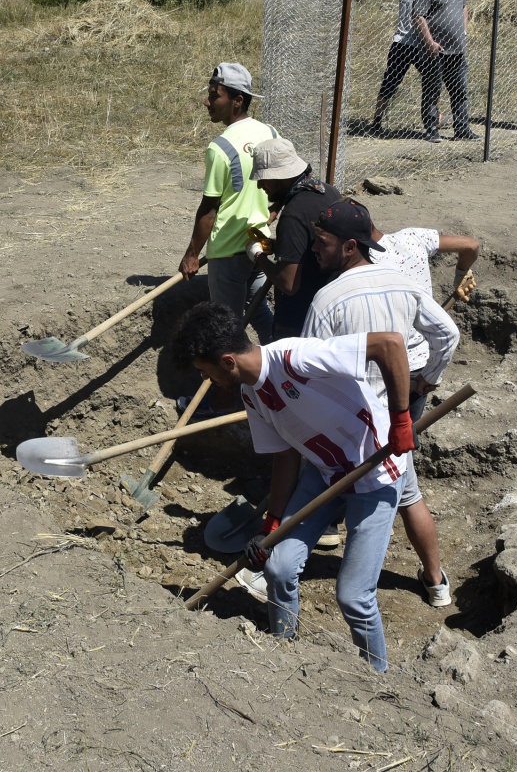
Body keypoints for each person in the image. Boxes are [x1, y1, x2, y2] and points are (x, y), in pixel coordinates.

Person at [175, 301, 416, 672]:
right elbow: (285, 456)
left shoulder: (296, 359)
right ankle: (283, 652)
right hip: (324, 474)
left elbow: (390, 346)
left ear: (227, 361)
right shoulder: (253, 393)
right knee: (278, 566)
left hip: (376, 473)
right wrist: (272, 524)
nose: (208, 380)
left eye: (206, 371)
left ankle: (377, 676)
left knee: (353, 596)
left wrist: (401, 418)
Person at [302, 200, 462, 609]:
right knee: (405, 491)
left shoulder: (327, 300)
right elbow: (447, 334)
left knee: (330, 486)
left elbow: (309, 371)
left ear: (349, 246)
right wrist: (429, 378)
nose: (313, 249)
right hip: (399, 407)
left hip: (353, 418)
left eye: (321, 242)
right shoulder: (401, 281)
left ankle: (283, 565)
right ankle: (435, 581)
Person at [178, 62, 276, 344]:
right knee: (260, 313)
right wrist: (271, 211)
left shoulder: (220, 147)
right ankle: (280, 376)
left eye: (214, 95)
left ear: (237, 101)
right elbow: (287, 181)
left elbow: (209, 210)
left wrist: (192, 254)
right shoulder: (270, 133)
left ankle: (234, 387)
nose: (206, 101)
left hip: (228, 251)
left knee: (226, 328)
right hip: (260, 240)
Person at [245, 138, 341, 341]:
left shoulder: (293, 214)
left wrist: (258, 256)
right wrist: (281, 247)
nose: (261, 185)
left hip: (299, 323)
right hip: (331, 311)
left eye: (264, 178)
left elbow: (288, 284)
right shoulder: (328, 191)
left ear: (280, 176)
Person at [410, 0, 477, 142]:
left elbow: (464, 6)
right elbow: (418, 15)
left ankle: (462, 129)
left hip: (457, 50)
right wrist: (429, 42)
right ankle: (432, 130)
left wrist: (463, 28)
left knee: (460, 91)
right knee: (432, 91)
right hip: (435, 52)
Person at [368, 0, 438, 136]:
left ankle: (376, 121)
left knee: (389, 83)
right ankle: (433, 120)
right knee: (433, 82)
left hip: (400, 42)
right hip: (420, 45)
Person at [370, 223, 480, 304]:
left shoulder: (363, 260)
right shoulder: (412, 236)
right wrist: (462, 272)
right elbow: (471, 246)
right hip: (430, 330)